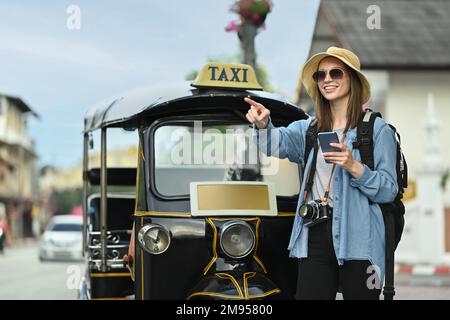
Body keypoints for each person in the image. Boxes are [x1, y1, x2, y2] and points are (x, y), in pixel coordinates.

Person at [244, 46, 398, 300]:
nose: (327, 79)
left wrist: (354, 166)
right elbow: (274, 143)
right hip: (314, 234)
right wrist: (262, 124)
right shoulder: (310, 128)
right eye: (321, 75)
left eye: (336, 73)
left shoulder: (376, 130)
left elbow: (388, 189)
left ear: (352, 79)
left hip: (361, 239)